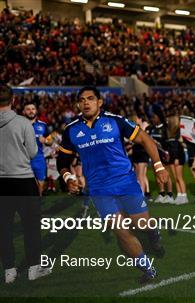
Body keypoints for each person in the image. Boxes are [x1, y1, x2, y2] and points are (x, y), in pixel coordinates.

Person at [56, 86, 169, 283]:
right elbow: (62, 162)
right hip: (99, 190)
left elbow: (145, 139)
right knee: (121, 230)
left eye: (91, 98)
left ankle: (152, 232)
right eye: (82, 100)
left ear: (99, 102)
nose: (86, 102)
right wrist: (68, 178)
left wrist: (158, 167)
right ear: (77, 104)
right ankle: (148, 270)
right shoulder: (71, 130)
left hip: (126, 183)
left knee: (141, 224)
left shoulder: (115, 121)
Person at [0, 85, 52, 283]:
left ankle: (9, 271)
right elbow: (32, 152)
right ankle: (33, 269)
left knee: (3, 228)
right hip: (22, 180)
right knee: (31, 226)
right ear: (12, 100)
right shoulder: (23, 123)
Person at [22, 102, 53, 195]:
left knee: (40, 185)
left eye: (33, 109)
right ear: (24, 112)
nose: (31, 111)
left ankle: (37, 206)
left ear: (36, 111)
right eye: (28, 109)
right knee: (26, 186)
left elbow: (50, 141)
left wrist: (46, 141)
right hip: (23, 160)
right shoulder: (19, 125)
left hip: (39, 159)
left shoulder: (43, 125)